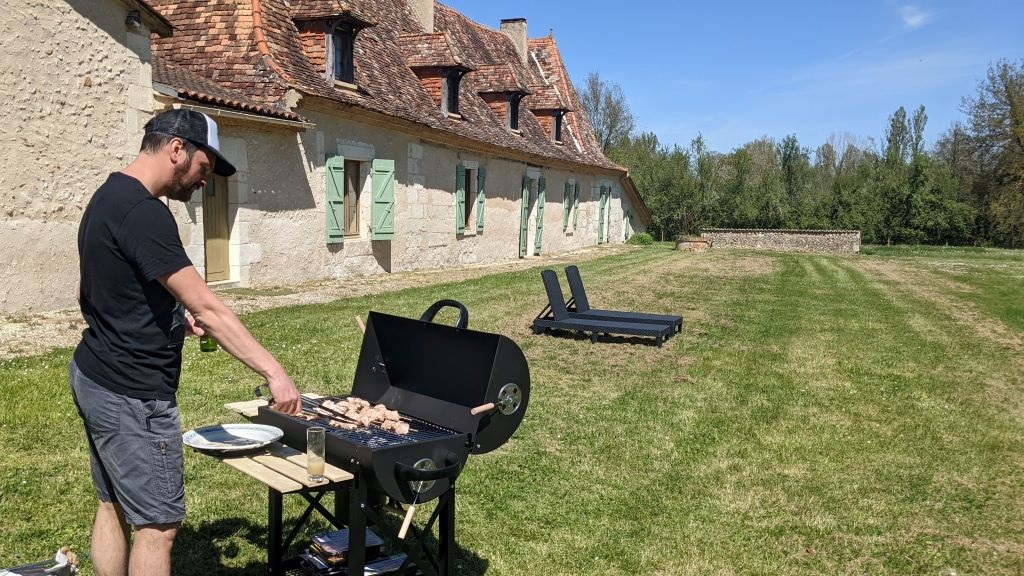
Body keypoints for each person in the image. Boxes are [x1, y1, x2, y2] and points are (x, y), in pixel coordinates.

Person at [70, 108, 302, 576]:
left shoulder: (108, 195)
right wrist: (274, 372)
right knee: (158, 526)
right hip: (133, 392)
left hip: (95, 373)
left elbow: (110, 290)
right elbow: (210, 308)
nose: (204, 181)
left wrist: (172, 319)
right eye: (204, 167)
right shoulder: (145, 214)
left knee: (112, 501)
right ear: (177, 149)